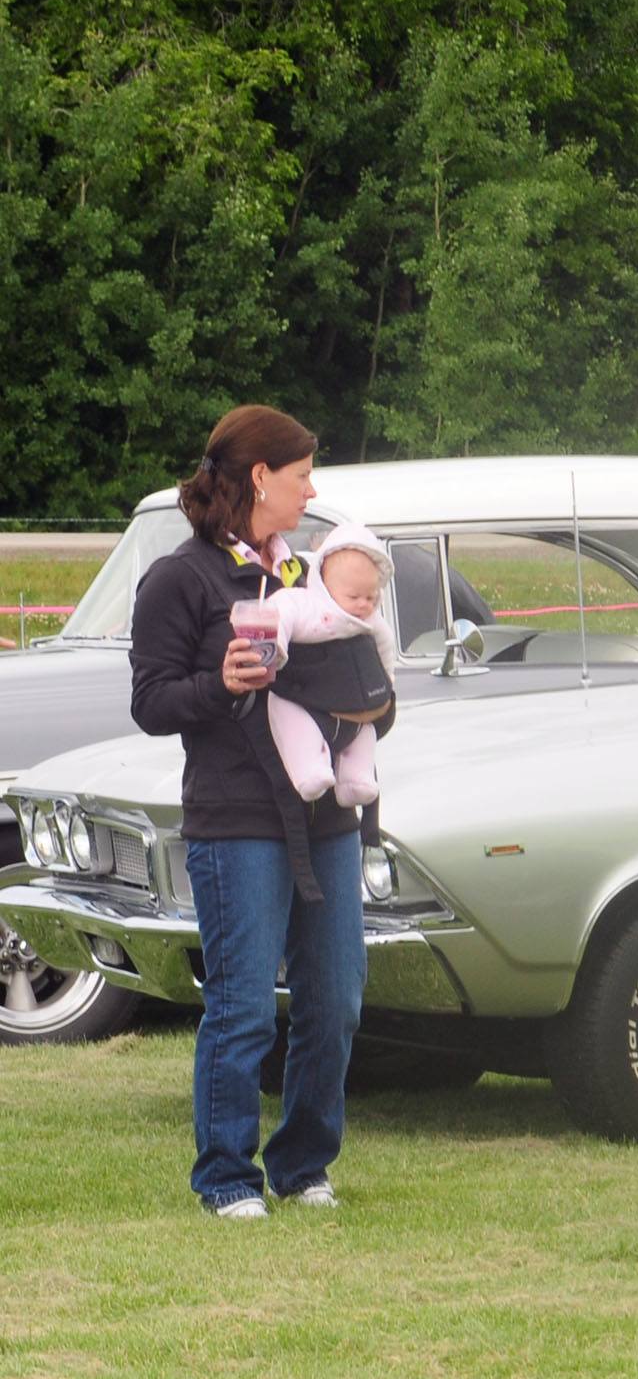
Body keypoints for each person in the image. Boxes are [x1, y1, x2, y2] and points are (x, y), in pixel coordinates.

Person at [127, 405, 389, 1219]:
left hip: (324, 819)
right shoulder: (183, 578)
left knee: (336, 999)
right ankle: (228, 1177)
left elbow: (357, 674)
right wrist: (224, 683)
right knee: (241, 1006)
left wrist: (370, 704)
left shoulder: (312, 574)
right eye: (304, 473)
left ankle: (305, 1165)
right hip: (236, 817)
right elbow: (149, 701)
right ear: (260, 477)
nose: (314, 489)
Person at [264, 527, 396, 808]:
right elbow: (279, 613)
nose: (363, 605)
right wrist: (276, 646)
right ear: (325, 585)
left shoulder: (370, 619)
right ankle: (308, 770)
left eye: (370, 597)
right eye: (353, 596)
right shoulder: (305, 603)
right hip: (303, 699)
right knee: (287, 713)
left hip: (355, 709)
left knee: (365, 732)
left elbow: (385, 646)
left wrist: (387, 680)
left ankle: (356, 780)